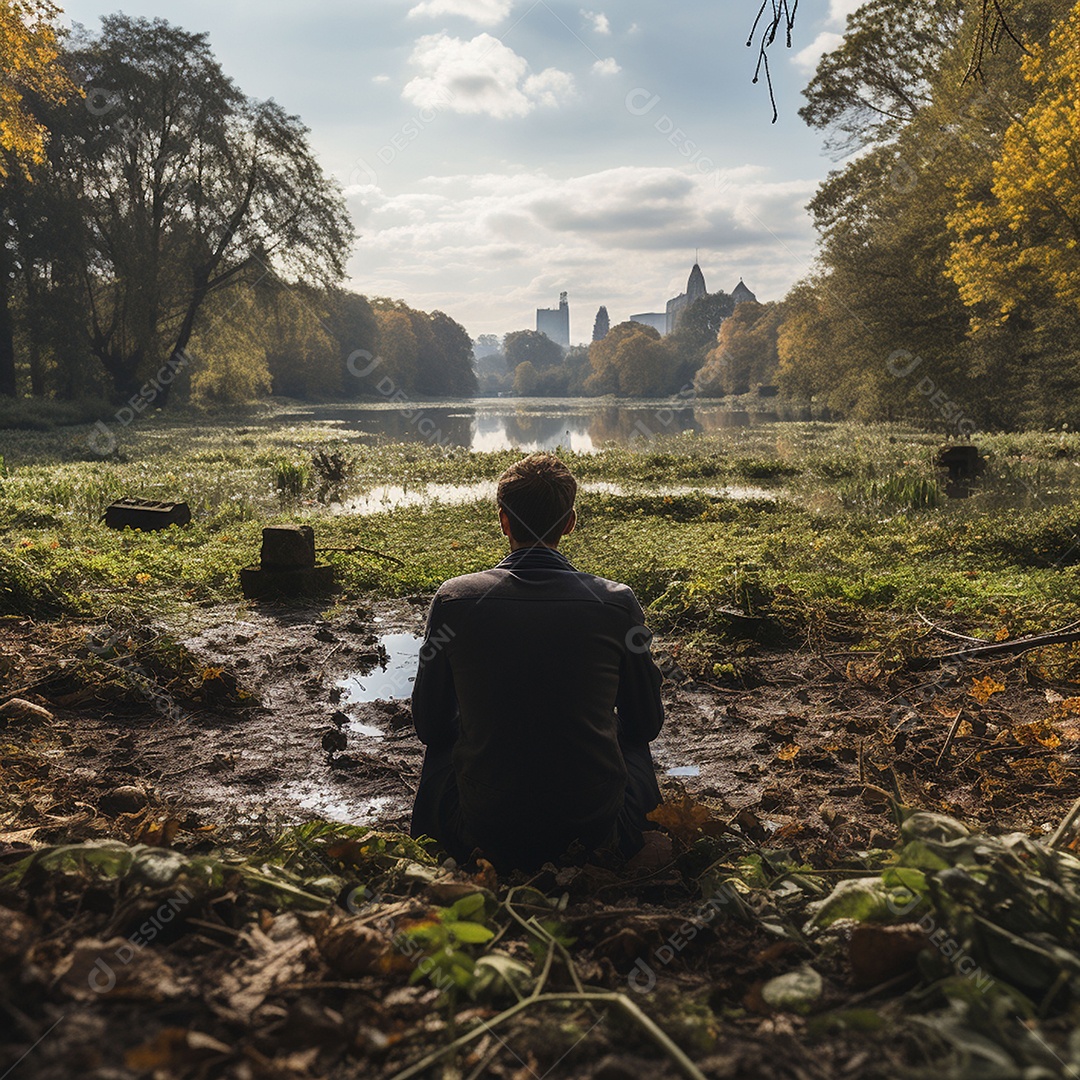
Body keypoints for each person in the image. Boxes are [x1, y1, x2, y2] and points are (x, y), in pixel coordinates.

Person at [410, 452, 664, 870]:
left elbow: (429, 726)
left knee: (445, 744)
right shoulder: (617, 603)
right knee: (630, 737)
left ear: (503, 521)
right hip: (596, 833)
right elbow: (646, 725)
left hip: (480, 831)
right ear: (570, 522)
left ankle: (444, 843)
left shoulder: (454, 600)